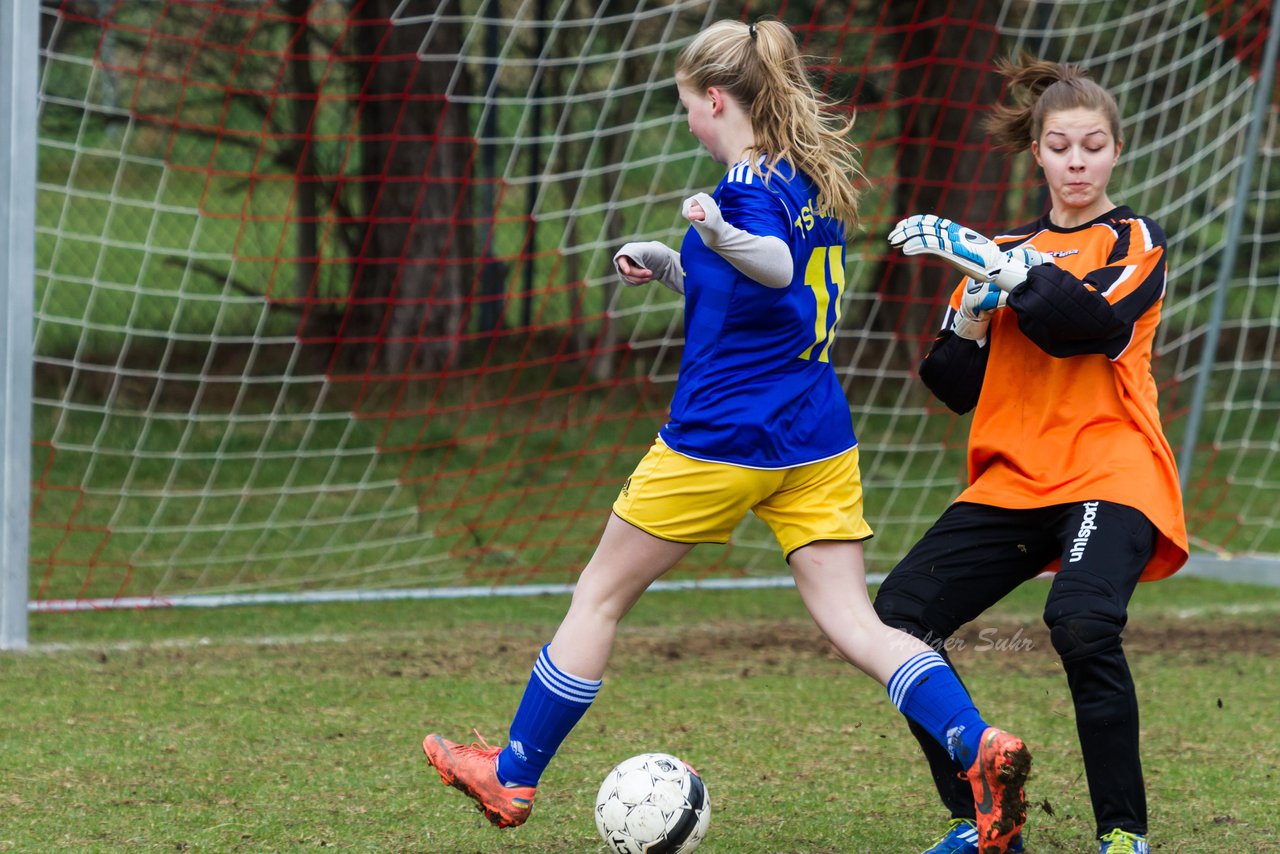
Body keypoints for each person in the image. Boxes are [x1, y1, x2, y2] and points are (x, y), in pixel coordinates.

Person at [423, 20, 1030, 852]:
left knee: (599, 595)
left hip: (719, 437)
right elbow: (765, 300)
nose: (687, 124)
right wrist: (675, 264)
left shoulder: (743, 186)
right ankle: (979, 748)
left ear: (717, 99)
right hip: (814, 437)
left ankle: (514, 773)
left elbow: (772, 266)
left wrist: (712, 229)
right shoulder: (807, 178)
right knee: (859, 624)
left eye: (687, 107)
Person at [878, 54, 1189, 854]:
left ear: (1116, 149)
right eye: (1059, 146)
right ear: (1038, 153)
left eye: (1091, 145)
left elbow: (1088, 325)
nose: (1076, 161)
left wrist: (1005, 269)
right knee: (898, 620)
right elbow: (951, 385)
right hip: (1014, 480)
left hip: (1111, 470)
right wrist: (975, 313)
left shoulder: (1133, 237)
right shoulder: (1002, 246)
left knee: (1081, 623)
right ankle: (982, 814)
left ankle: (1124, 835)